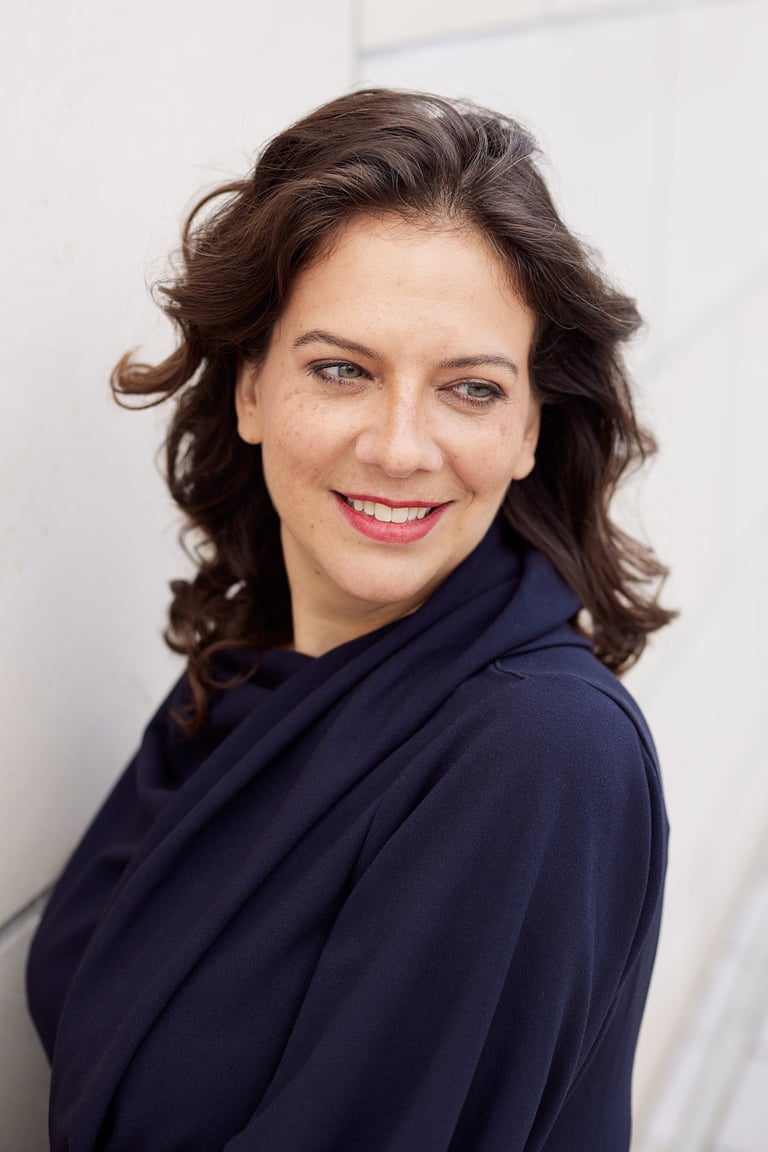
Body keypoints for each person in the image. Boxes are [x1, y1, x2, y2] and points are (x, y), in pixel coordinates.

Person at [27, 88, 673, 1151]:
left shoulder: (536, 753)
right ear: (248, 390)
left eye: (469, 390)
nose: (401, 446)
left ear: (527, 431)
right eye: (341, 370)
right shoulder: (252, 667)